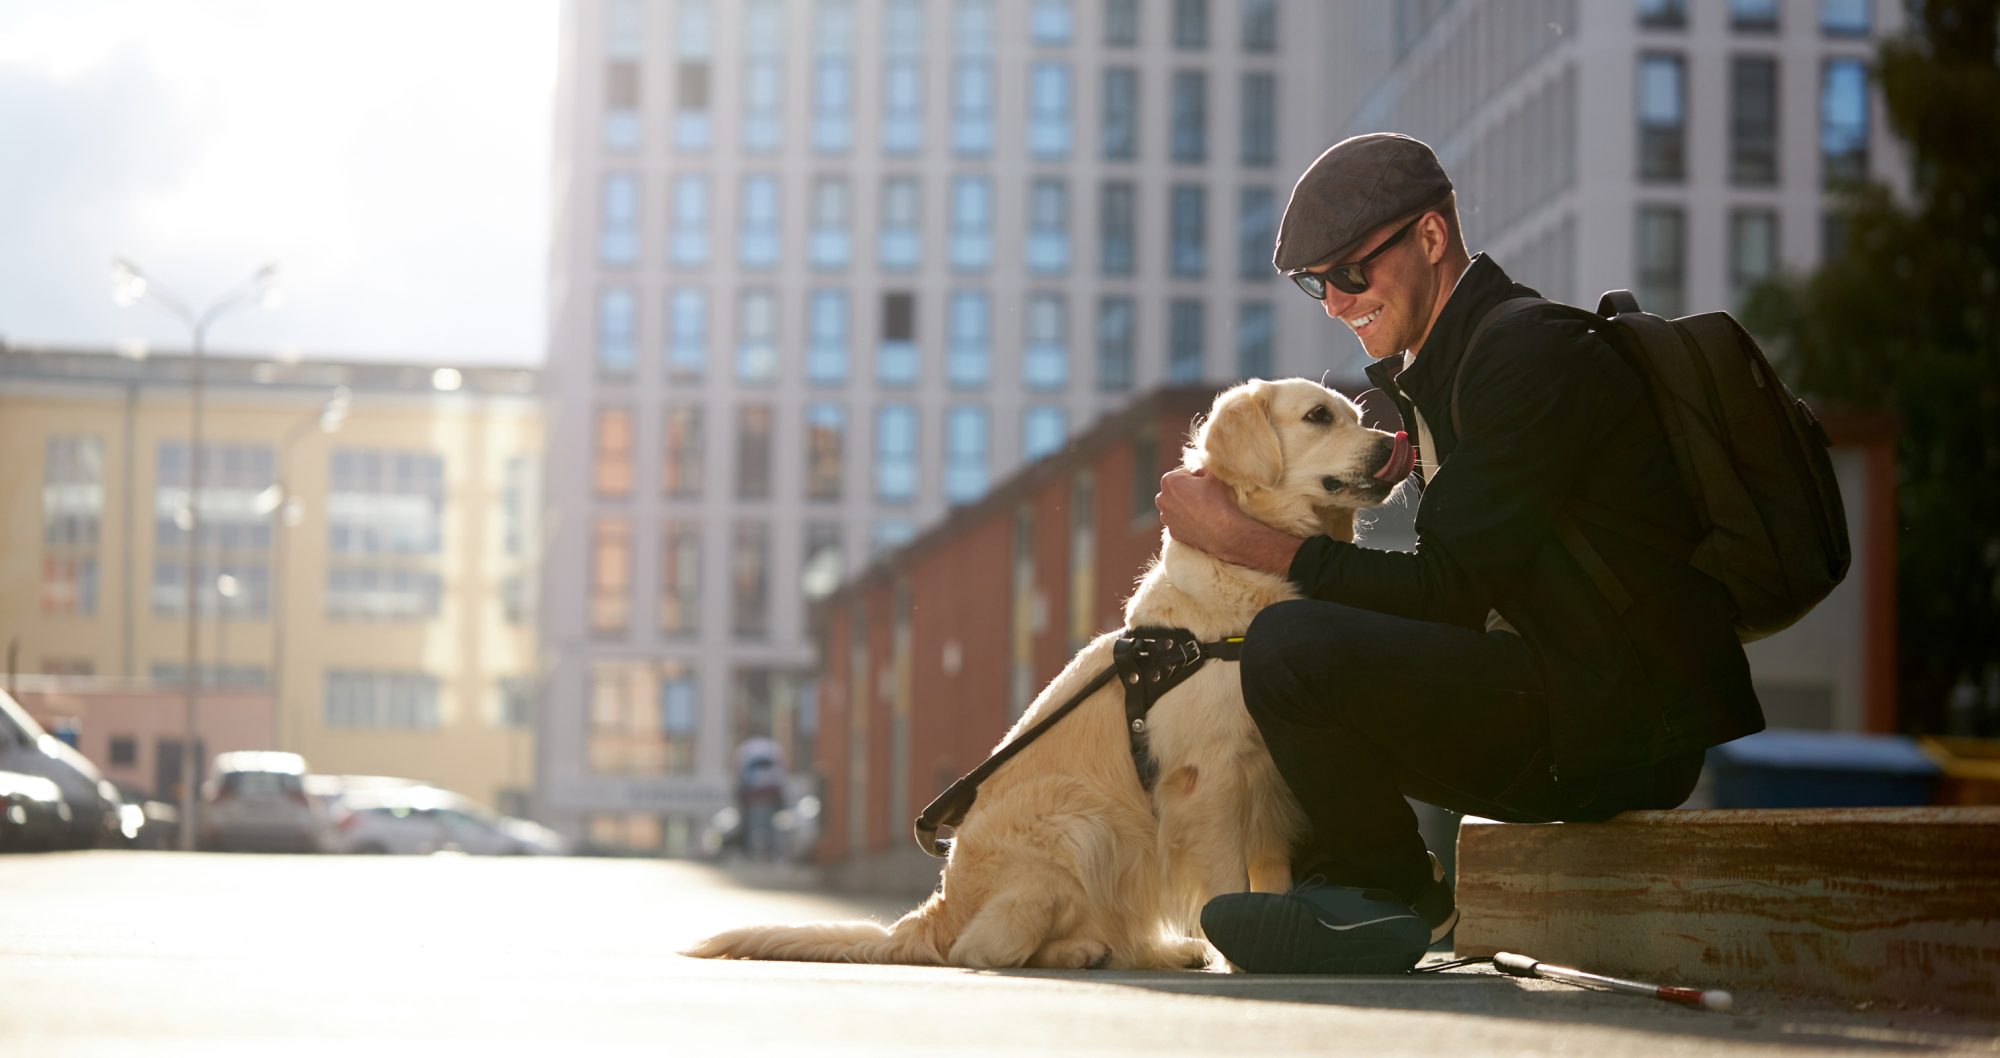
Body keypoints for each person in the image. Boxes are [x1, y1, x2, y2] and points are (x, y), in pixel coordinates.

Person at [1156, 133, 1764, 974]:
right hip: (1564, 694)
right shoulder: (1455, 372)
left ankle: (1390, 893)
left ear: (1432, 241)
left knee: (1290, 647)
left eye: (1350, 273)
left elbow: (1444, 591)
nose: (1334, 301)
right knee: (1301, 642)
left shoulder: (1527, 357)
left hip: (1616, 729)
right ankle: (1355, 889)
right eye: (1315, 283)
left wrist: (1242, 541)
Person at [733, 731, 788, 860]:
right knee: (771, 825)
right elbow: (783, 768)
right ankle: (771, 852)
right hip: (770, 793)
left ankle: (754, 852)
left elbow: (737, 768)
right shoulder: (774, 747)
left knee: (753, 824)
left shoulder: (745, 748)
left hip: (753, 794)